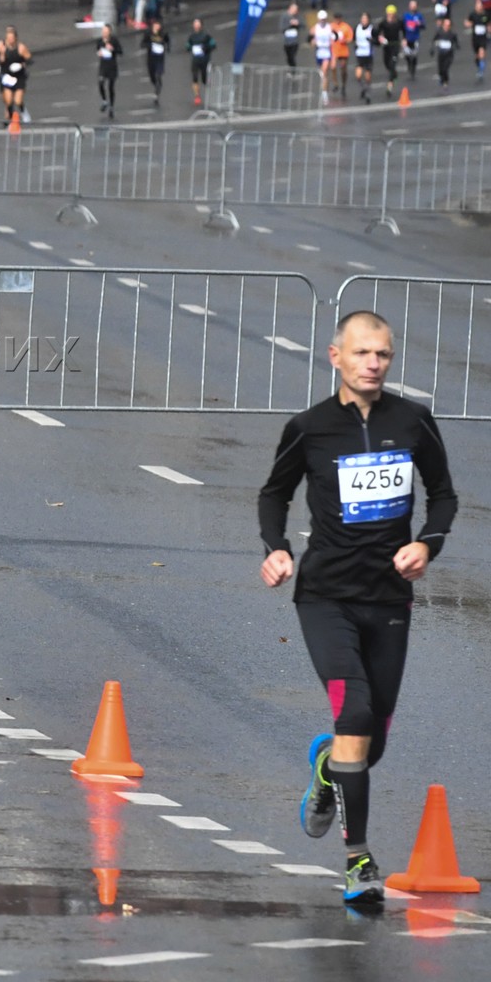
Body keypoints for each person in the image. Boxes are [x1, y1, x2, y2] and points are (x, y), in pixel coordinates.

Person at [257, 311, 456, 906]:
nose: (375, 363)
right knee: (355, 712)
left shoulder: (414, 421)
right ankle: (358, 861)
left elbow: (443, 494)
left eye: (385, 355)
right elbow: (274, 493)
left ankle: (326, 774)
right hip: (325, 595)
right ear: (335, 356)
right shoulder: (310, 427)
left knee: (373, 743)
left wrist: (427, 543)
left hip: (389, 597)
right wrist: (277, 550)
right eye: (364, 352)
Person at [0, 26, 32, 123]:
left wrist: (20, 65)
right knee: (8, 100)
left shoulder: (21, 48)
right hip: (7, 75)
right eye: (8, 38)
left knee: (18, 100)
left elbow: (30, 60)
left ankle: (24, 112)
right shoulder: (1, 45)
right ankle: (10, 120)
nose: (10, 40)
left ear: (15, 38)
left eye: (12, 38)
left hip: (19, 77)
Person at [186, 17, 216, 107]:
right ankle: (197, 96)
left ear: (201, 25)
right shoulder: (191, 36)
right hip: (195, 59)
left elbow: (213, 45)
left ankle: (209, 94)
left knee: (204, 78)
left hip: (205, 59)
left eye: (198, 23)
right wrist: (190, 48)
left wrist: (205, 48)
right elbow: (188, 45)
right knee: (195, 77)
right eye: (194, 23)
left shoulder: (206, 35)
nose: (196, 25)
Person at [94, 23, 123, 117]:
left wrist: (112, 49)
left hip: (112, 66)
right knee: (100, 83)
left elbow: (120, 51)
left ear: (109, 32)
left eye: (106, 31)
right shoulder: (99, 41)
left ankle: (111, 106)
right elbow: (98, 50)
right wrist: (99, 53)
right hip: (103, 66)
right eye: (103, 31)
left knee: (111, 87)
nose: (104, 33)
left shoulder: (114, 40)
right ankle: (104, 100)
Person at [141, 16, 171, 104]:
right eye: (155, 25)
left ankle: (156, 94)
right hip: (151, 58)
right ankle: (156, 85)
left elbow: (167, 41)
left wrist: (167, 48)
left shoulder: (163, 33)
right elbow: (143, 43)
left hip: (160, 58)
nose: (157, 27)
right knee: (152, 76)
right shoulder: (148, 33)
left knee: (158, 75)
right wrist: (150, 46)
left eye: (158, 25)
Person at [310, 9, 336, 103]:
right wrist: (313, 42)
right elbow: (310, 40)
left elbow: (334, 38)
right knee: (323, 75)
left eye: (324, 19)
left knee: (324, 72)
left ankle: (324, 94)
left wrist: (333, 54)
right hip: (319, 52)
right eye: (321, 19)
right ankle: (325, 89)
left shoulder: (329, 27)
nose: (322, 21)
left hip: (327, 52)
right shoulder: (315, 28)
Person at [401, 0, 425, 84]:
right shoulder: (406, 16)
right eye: (412, 6)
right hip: (407, 39)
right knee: (407, 55)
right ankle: (409, 67)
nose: (413, 7)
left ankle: (413, 71)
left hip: (415, 39)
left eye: (414, 6)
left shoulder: (419, 16)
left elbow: (423, 26)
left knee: (414, 56)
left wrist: (420, 24)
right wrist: (403, 38)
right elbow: (402, 27)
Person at [354, 12, 376, 102]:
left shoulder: (372, 29)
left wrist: (372, 40)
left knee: (367, 77)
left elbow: (377, 39)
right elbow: (352, 38)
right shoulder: (357, 28)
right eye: (362, 19)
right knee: (358, 75)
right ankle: (363, 88)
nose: (364, 21)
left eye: (365, 19)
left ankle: (367, 93)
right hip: (359, 54)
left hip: (368, 55)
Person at [433, 15, 457, 92]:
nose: (447, 27)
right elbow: (434, 40)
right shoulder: (439, 33)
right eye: (445, 25)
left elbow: (455, 42)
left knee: (445, 68)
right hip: (441, 54)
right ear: (443, 25)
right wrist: (432, 49)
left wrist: (456, 46)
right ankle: (442, 78)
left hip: (449, 54)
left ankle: (446, 81)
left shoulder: (452, 34)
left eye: (448, 25)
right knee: (440, 69)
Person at [470, 3, 489, 83]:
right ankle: (479, 66)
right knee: (477, 56)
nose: (478, 8)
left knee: (481, 53)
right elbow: (468, 21)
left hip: (483, 38)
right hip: (475, 38)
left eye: (480, 7)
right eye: (477, 7)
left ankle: (481, 71)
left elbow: (488, 23)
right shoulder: (473, 14)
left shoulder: (485, 15)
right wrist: (468, 24)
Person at [282, 2, 303, 69]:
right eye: (295, 10)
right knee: (289, 56)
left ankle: (293, 70)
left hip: (295, 41)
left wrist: (298, 23)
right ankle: (291, 67)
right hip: (287, 41)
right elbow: (282, 28)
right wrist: (290, 24)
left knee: (292, 55)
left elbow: (303, 25)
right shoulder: (285, 16)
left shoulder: (297, 16)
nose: (296, 12)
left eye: (296, 10)